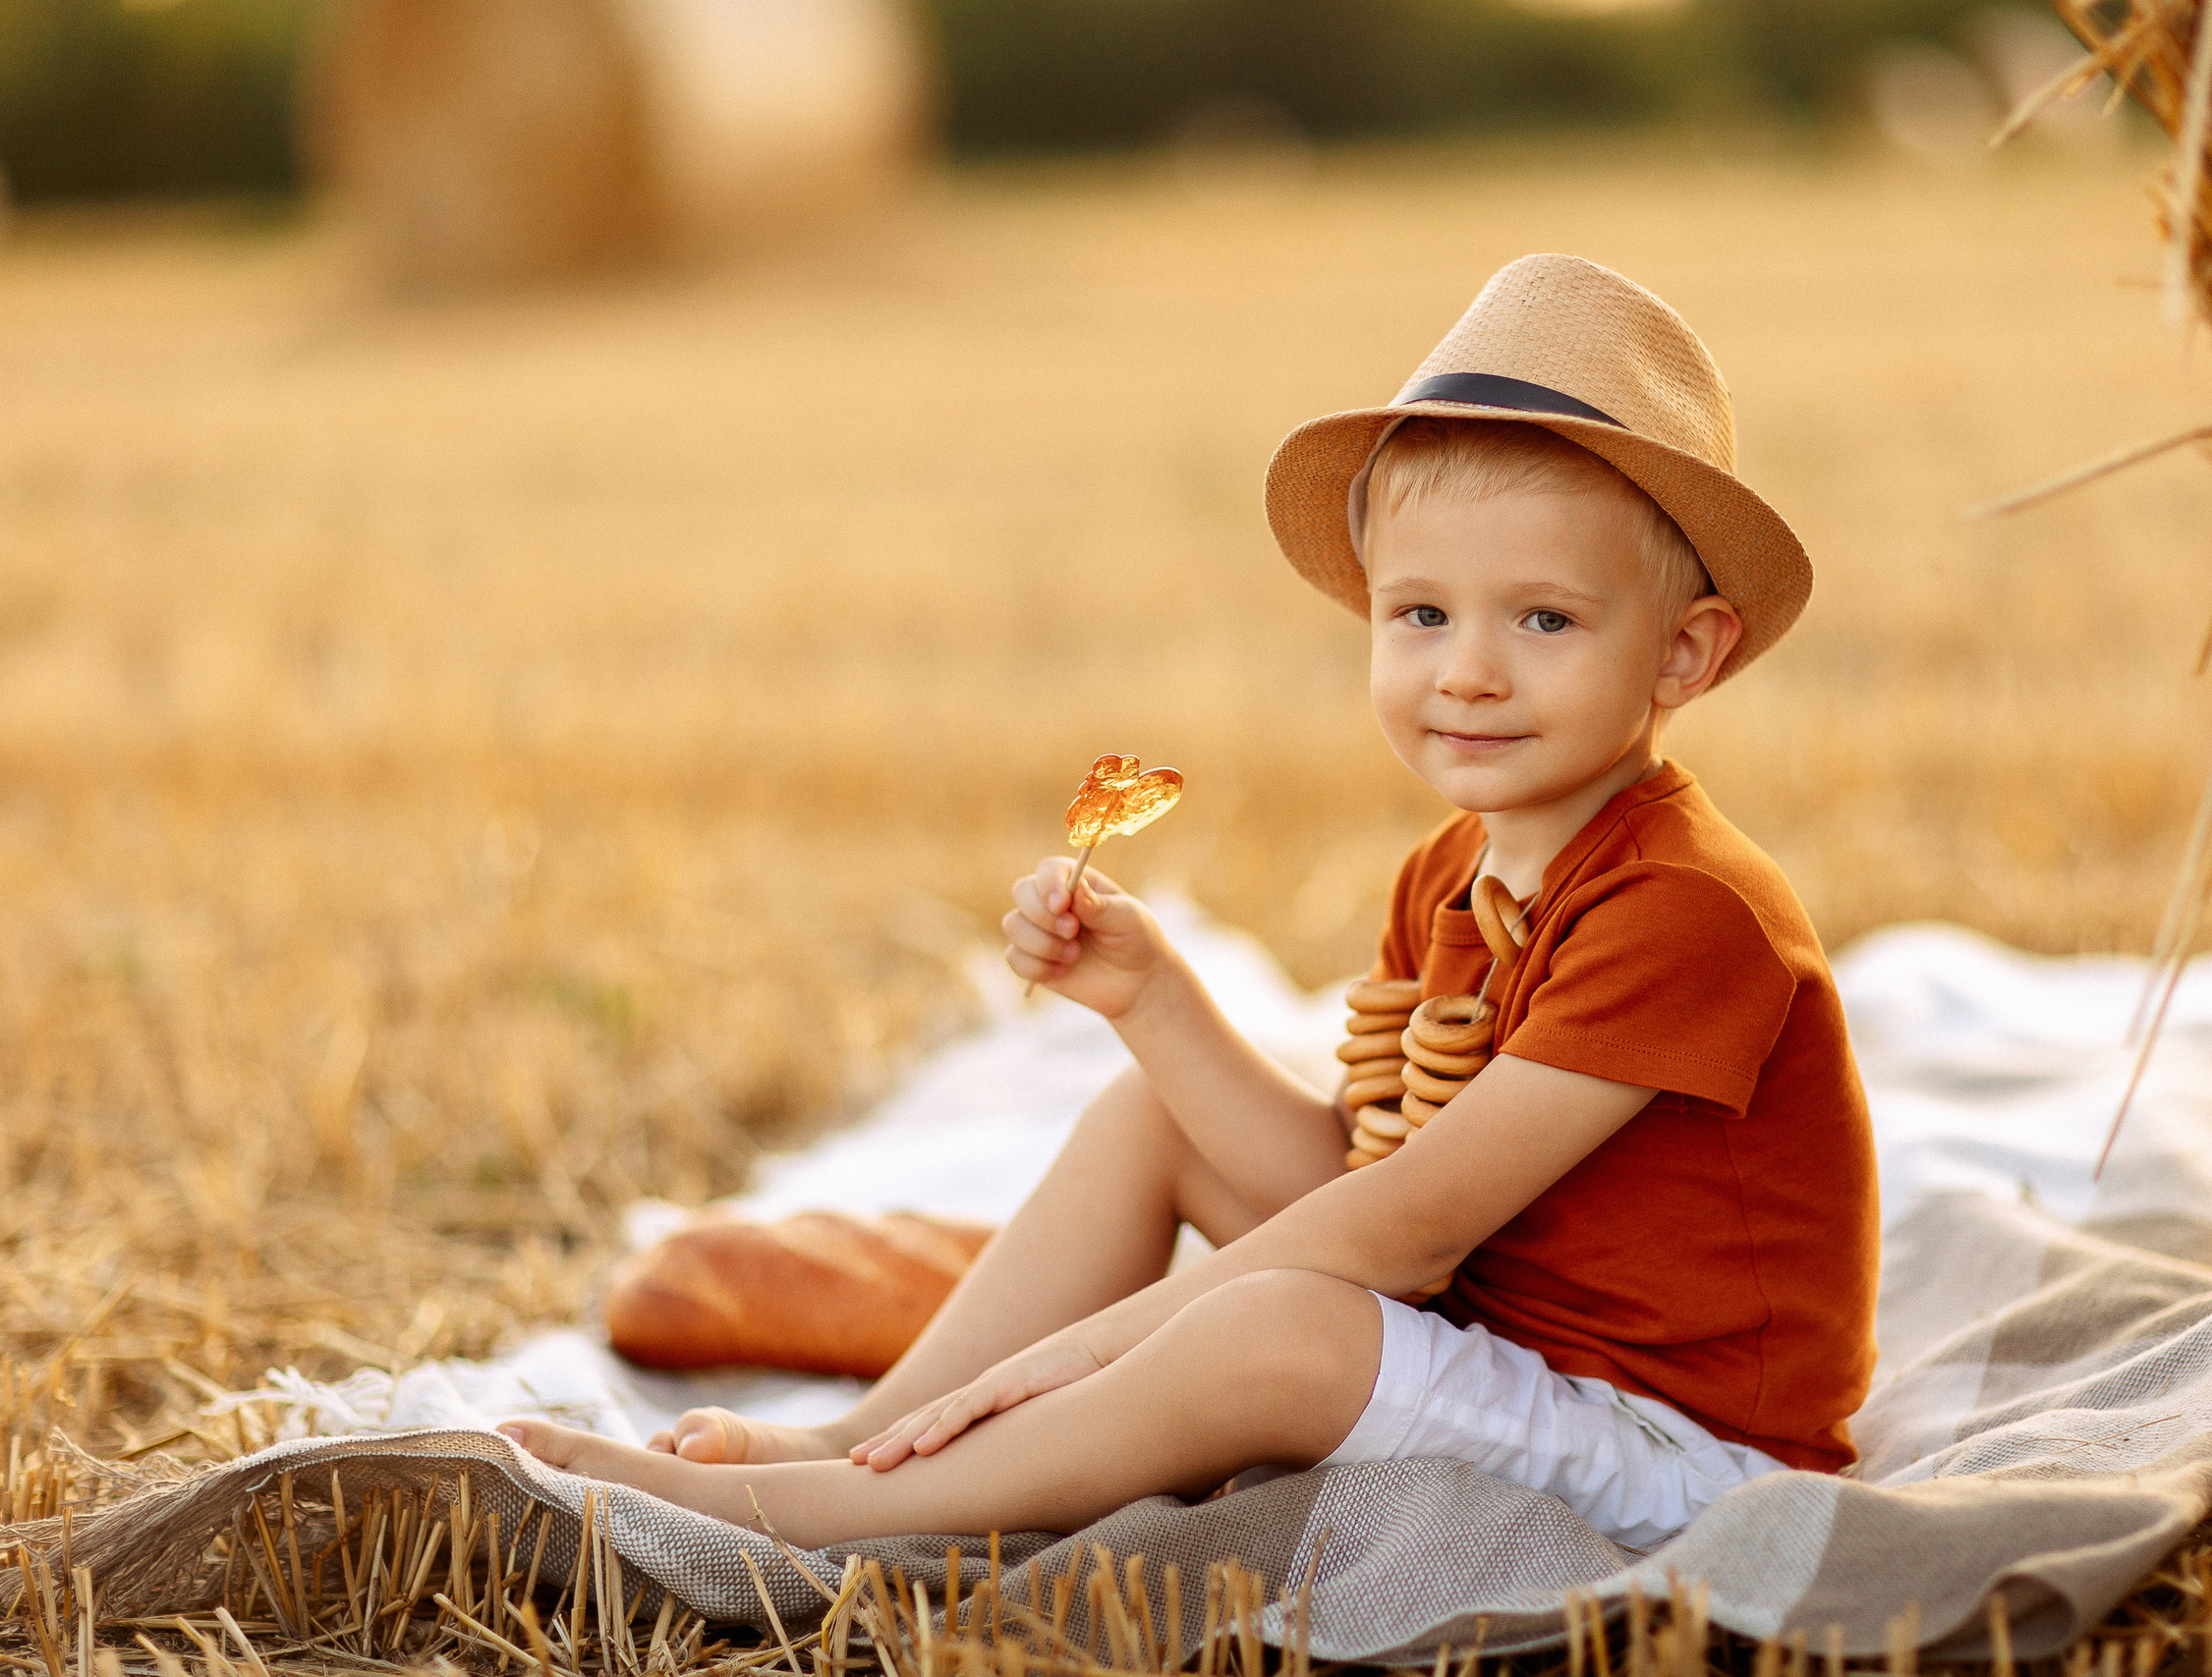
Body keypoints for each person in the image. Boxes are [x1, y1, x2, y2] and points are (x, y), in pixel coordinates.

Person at [502, 252, 1879, 1554]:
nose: (1467, 673)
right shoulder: (1450, 875)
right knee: (1152, 1114)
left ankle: (806, 1524)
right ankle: (865, 1446)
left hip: (1677, 1443)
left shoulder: (1690, 909)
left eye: (1544, 621)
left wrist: (1094, 1348)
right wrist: (1153, 1001)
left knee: (1270, 1326)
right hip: (1500, 1346)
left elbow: (1411, 1232)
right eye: (1420, 616)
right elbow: (1361, 1171)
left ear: (1685, 654)